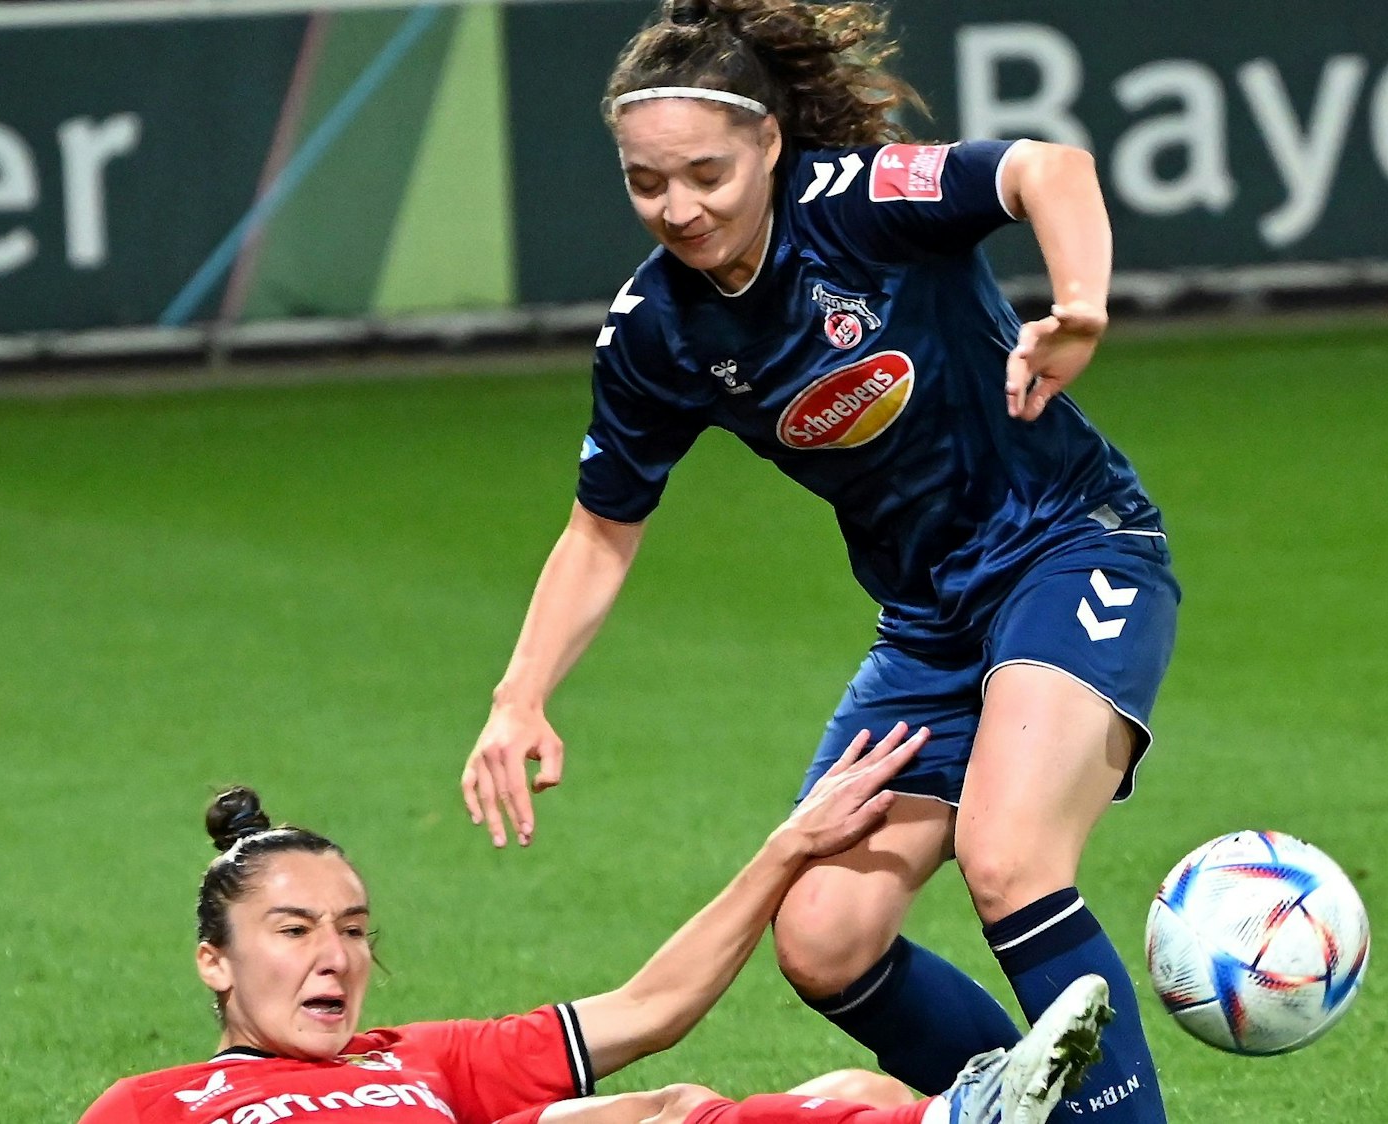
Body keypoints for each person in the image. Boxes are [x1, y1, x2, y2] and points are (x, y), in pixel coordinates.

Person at [457, 0, 1179, 1121]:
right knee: (823, 938)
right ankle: (1025, 1105)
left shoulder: (860, 204)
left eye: (706, 172)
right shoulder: (657, 330)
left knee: (1008, 855)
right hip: (930, 622)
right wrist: (520, 695)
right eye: (648, 183)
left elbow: (1053, 166)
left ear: (770, 145)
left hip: (1070, 544)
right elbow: (601, 527)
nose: (679, 208)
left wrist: (1078, 309)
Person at [76, 727, 1112, 1124]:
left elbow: (651, 1006)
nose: (335, 954)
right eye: (294, 929)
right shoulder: (156, 1102)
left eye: (350, 925)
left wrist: (788, 849)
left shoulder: (415, 1059)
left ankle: (939, 1117)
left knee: (854, 1089)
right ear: (214, 958)